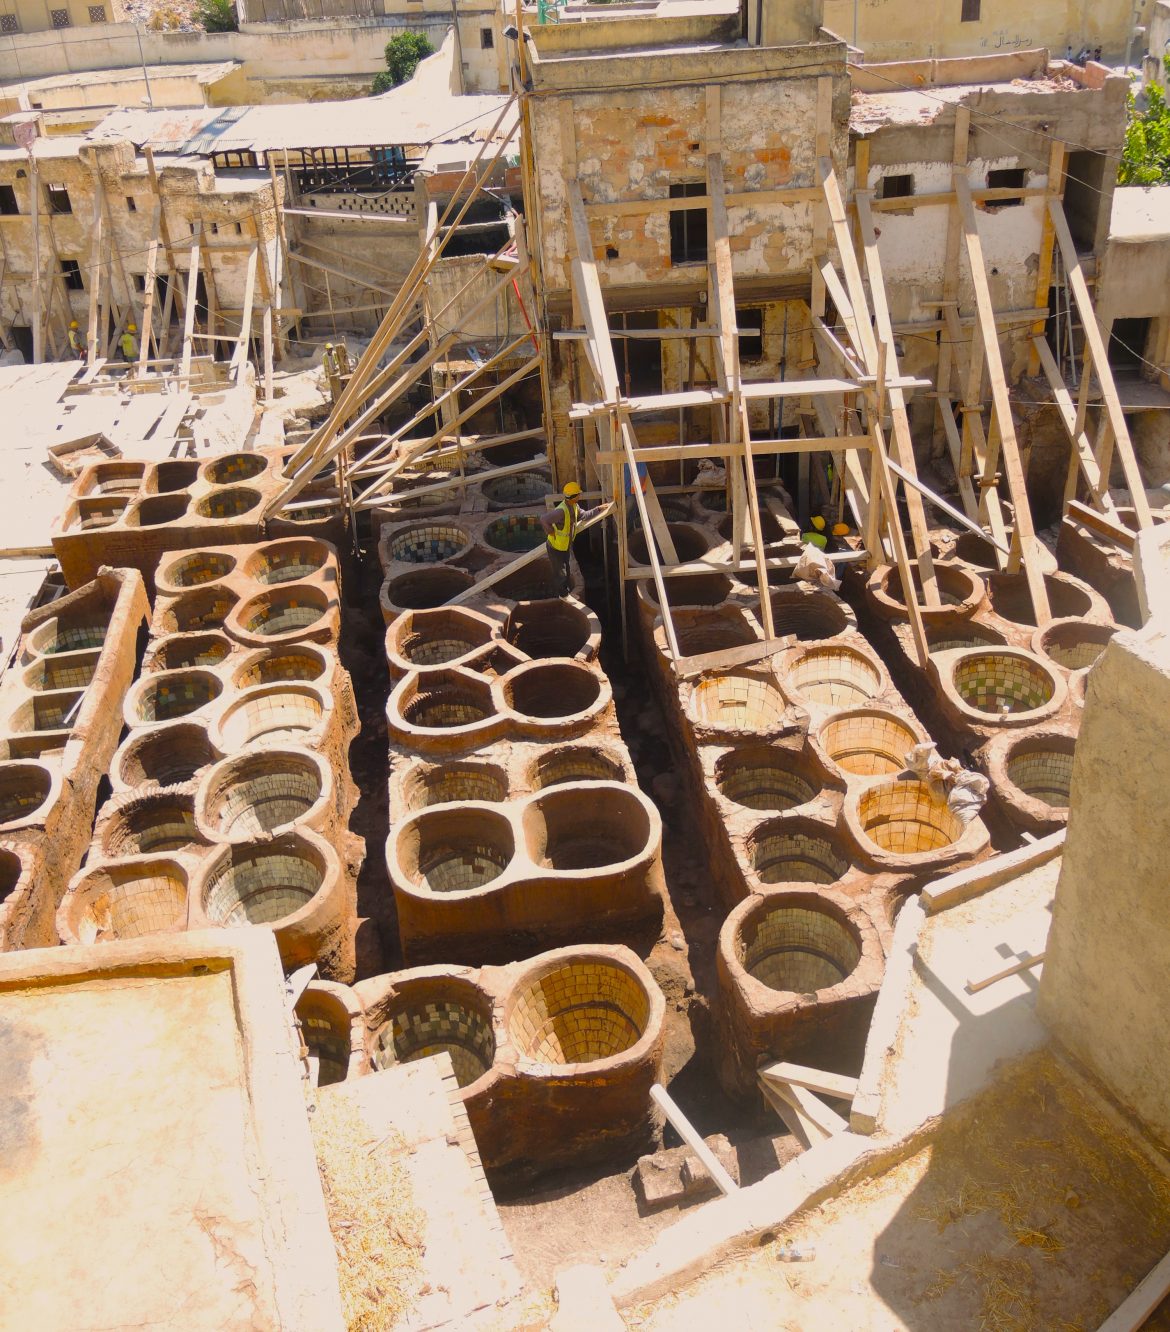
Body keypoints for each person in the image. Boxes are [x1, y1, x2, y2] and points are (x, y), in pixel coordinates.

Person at [539, 481, 602, 597]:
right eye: (578, 494)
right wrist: (550, 531)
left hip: (564, 546)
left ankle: (565, 593)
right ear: (573, 497)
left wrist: (599, 509)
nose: (580, 496)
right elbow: (543, 519)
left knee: (567, 570)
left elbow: (585, 515)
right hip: (555, 547)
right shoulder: (561, 511)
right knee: (560, 573)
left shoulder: (574, 506)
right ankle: (563, 596)